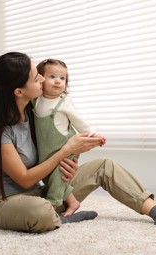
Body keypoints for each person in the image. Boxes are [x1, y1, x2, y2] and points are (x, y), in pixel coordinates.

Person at [0, 51, 156, 233]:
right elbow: (24, 178)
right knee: (40, 212)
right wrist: (65, 151)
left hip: (42, 193)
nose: (41, 79)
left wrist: (67, 166)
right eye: (35, 76)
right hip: (5, 204)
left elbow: (50, 154)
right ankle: (59, 216)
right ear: (19, 91)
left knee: (105, 166)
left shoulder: (34, 112)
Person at [33, 58, 106, 216]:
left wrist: (94, 135)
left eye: (62, 78)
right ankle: (73, 201)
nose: (58, 81)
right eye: (52, 77)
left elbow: (79, 122)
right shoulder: (36, 100)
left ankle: (51, 209)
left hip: (66, 148)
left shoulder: (64, 102)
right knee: (47, 177)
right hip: (46, 150)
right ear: (40, 79)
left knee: (58, 178)